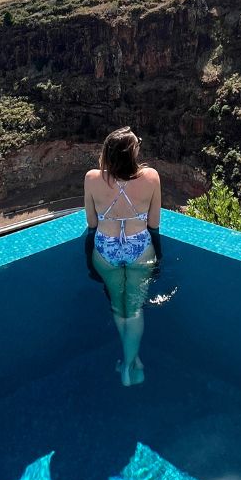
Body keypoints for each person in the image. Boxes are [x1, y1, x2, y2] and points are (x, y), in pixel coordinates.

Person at [83, 127, 162, 387]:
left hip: (106, 248)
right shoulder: (151, 177)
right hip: (139, 248)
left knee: (119, 306)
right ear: (132, 153)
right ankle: (131, 363)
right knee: (135, 308)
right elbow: (154, 224)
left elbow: (91, 222)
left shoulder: (92, 178)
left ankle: (129, 362)